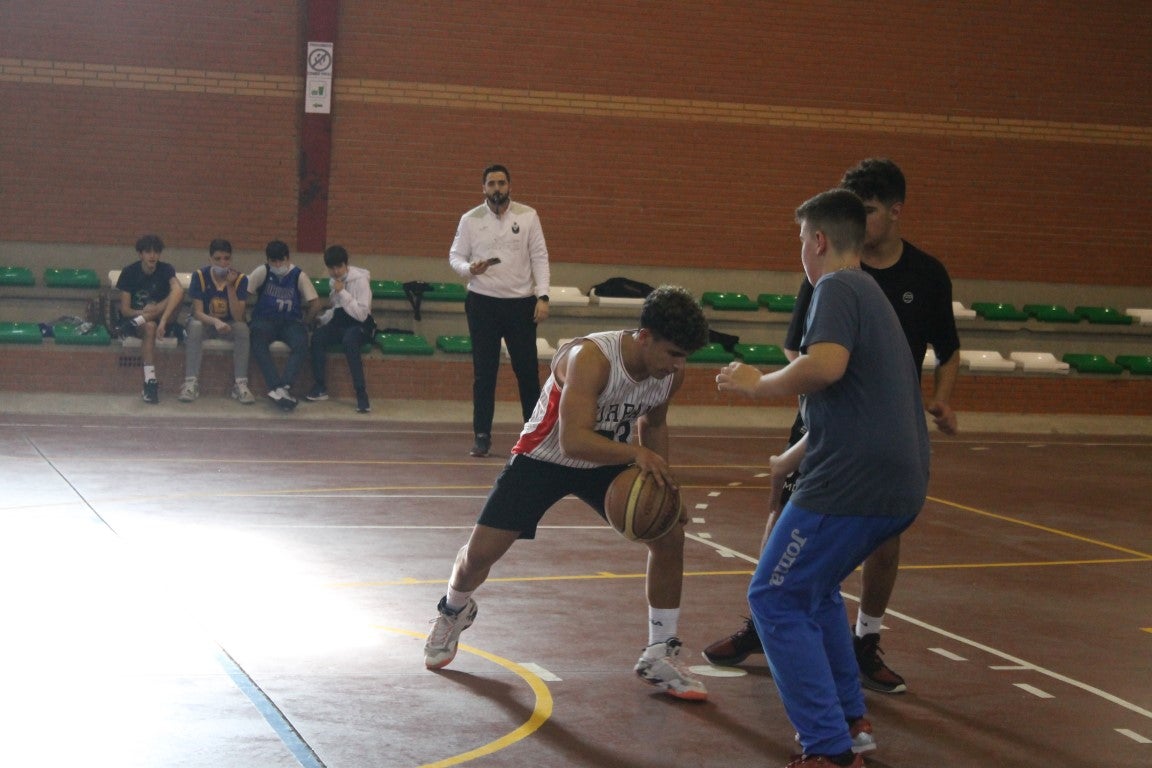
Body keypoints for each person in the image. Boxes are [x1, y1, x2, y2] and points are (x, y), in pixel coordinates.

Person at [704, 158, 960, 696]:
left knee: (773, 596)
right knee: (817, 593)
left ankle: (828, 744)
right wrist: (790, 458)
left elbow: (823, 369)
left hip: (854, 483)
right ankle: (849, 720)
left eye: (800, 239)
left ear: (818, 240)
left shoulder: (838, 290)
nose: (799, 250)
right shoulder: (867, 291)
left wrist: (757, 382)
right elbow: (847, 412)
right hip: (895, 478)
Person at [422, 286, 711, 700]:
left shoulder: (670, 375)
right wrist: (637, 453)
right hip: (546, 455)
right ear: (645, 336)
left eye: (685, 357)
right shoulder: (592, 358)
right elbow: (573, 440)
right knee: (477, 556)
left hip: (608, 456)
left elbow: (655, 425)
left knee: (669, 534)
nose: (678, 366)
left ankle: (659, 653)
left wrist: (662, 483)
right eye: (673, 354)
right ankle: (454, 608)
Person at [448, 163, 551, 458]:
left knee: (528, 372)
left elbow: (540, 257)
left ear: (509, 186)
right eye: (491, 184)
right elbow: (455, 256)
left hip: (521, 305)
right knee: (484, 373)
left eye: (501, 183)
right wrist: (470, 268)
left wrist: (542, 296)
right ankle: (481, 435)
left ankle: (534, 437)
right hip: (483, 304)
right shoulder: (470, 219)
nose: (497, 189)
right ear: (483, 188)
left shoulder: (528, 216)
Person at [179, 239, 255, 405]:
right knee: (195, 326)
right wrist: (215, 321)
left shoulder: (241, 279)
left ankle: (240, 384)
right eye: (218, 259)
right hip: (206, 322)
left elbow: (237, 316)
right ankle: (191, 383)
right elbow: (198, 312)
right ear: (210, 259)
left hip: (229, 324)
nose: (223, 262)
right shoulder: (199, 276)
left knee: (243, 329)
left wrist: (229, 287)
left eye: (227, 258)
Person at [247, 240, 320, 411]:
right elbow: (243, 296)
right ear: (268, 260)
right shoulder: (261, 272)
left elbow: (315, 304)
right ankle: (277, 386)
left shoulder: (298, 275)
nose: (278, 264)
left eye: (281, 260)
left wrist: (306, 322)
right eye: (274, 261)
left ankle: (283, 386)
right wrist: (243, 320)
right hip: (264, 321)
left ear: (288, 258)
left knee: (301, 343)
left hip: (290, 322)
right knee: (257, 339)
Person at [115, 234, 185, 404]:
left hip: (163, 319)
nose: (152, 256)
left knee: (178, 292)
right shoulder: (129, 272)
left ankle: (150, 319)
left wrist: (161, 317)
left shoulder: (166, 269)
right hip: (138, 319)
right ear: (140, 254)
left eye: (156, 252)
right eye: (148, 252)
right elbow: (125, 310)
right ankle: (149, 382)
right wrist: (142, 313)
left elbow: (178, 291)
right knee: (150, 326)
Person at [306, 245, 374, 413]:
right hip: (341, 323)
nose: (335, 271)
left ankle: (361, 395)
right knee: (318, 337)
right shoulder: (334, 282)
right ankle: (320, 387)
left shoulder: (360, 281)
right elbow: (337, 309)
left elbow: (361, 314)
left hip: (360, 325)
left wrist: (342, 292)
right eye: (331, 268)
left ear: (346, 264)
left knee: (350, 341)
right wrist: (322, 319)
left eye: (339, 267)